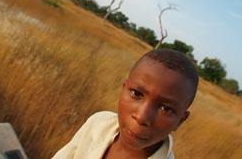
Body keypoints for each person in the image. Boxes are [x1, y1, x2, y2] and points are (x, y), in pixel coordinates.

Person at [52, 49, 199, 159]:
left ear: (180, 120)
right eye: (137, 94)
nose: (141, 117)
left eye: (166, 108)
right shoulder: (98, 123)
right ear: (124, 89)